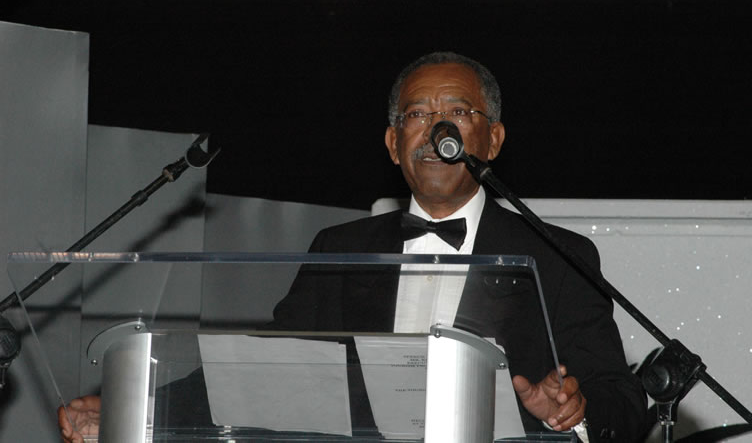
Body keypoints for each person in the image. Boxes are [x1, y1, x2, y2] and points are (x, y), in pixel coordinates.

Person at [60, 52, 646, 442]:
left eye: (457, 114)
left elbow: (622, 399)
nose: (436, 129)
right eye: (418, 114)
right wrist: (127, 406)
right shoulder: (338, 251)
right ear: (395, 144)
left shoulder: (556, 256)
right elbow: (258, 373)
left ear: (490, 138)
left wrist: (575, 411)